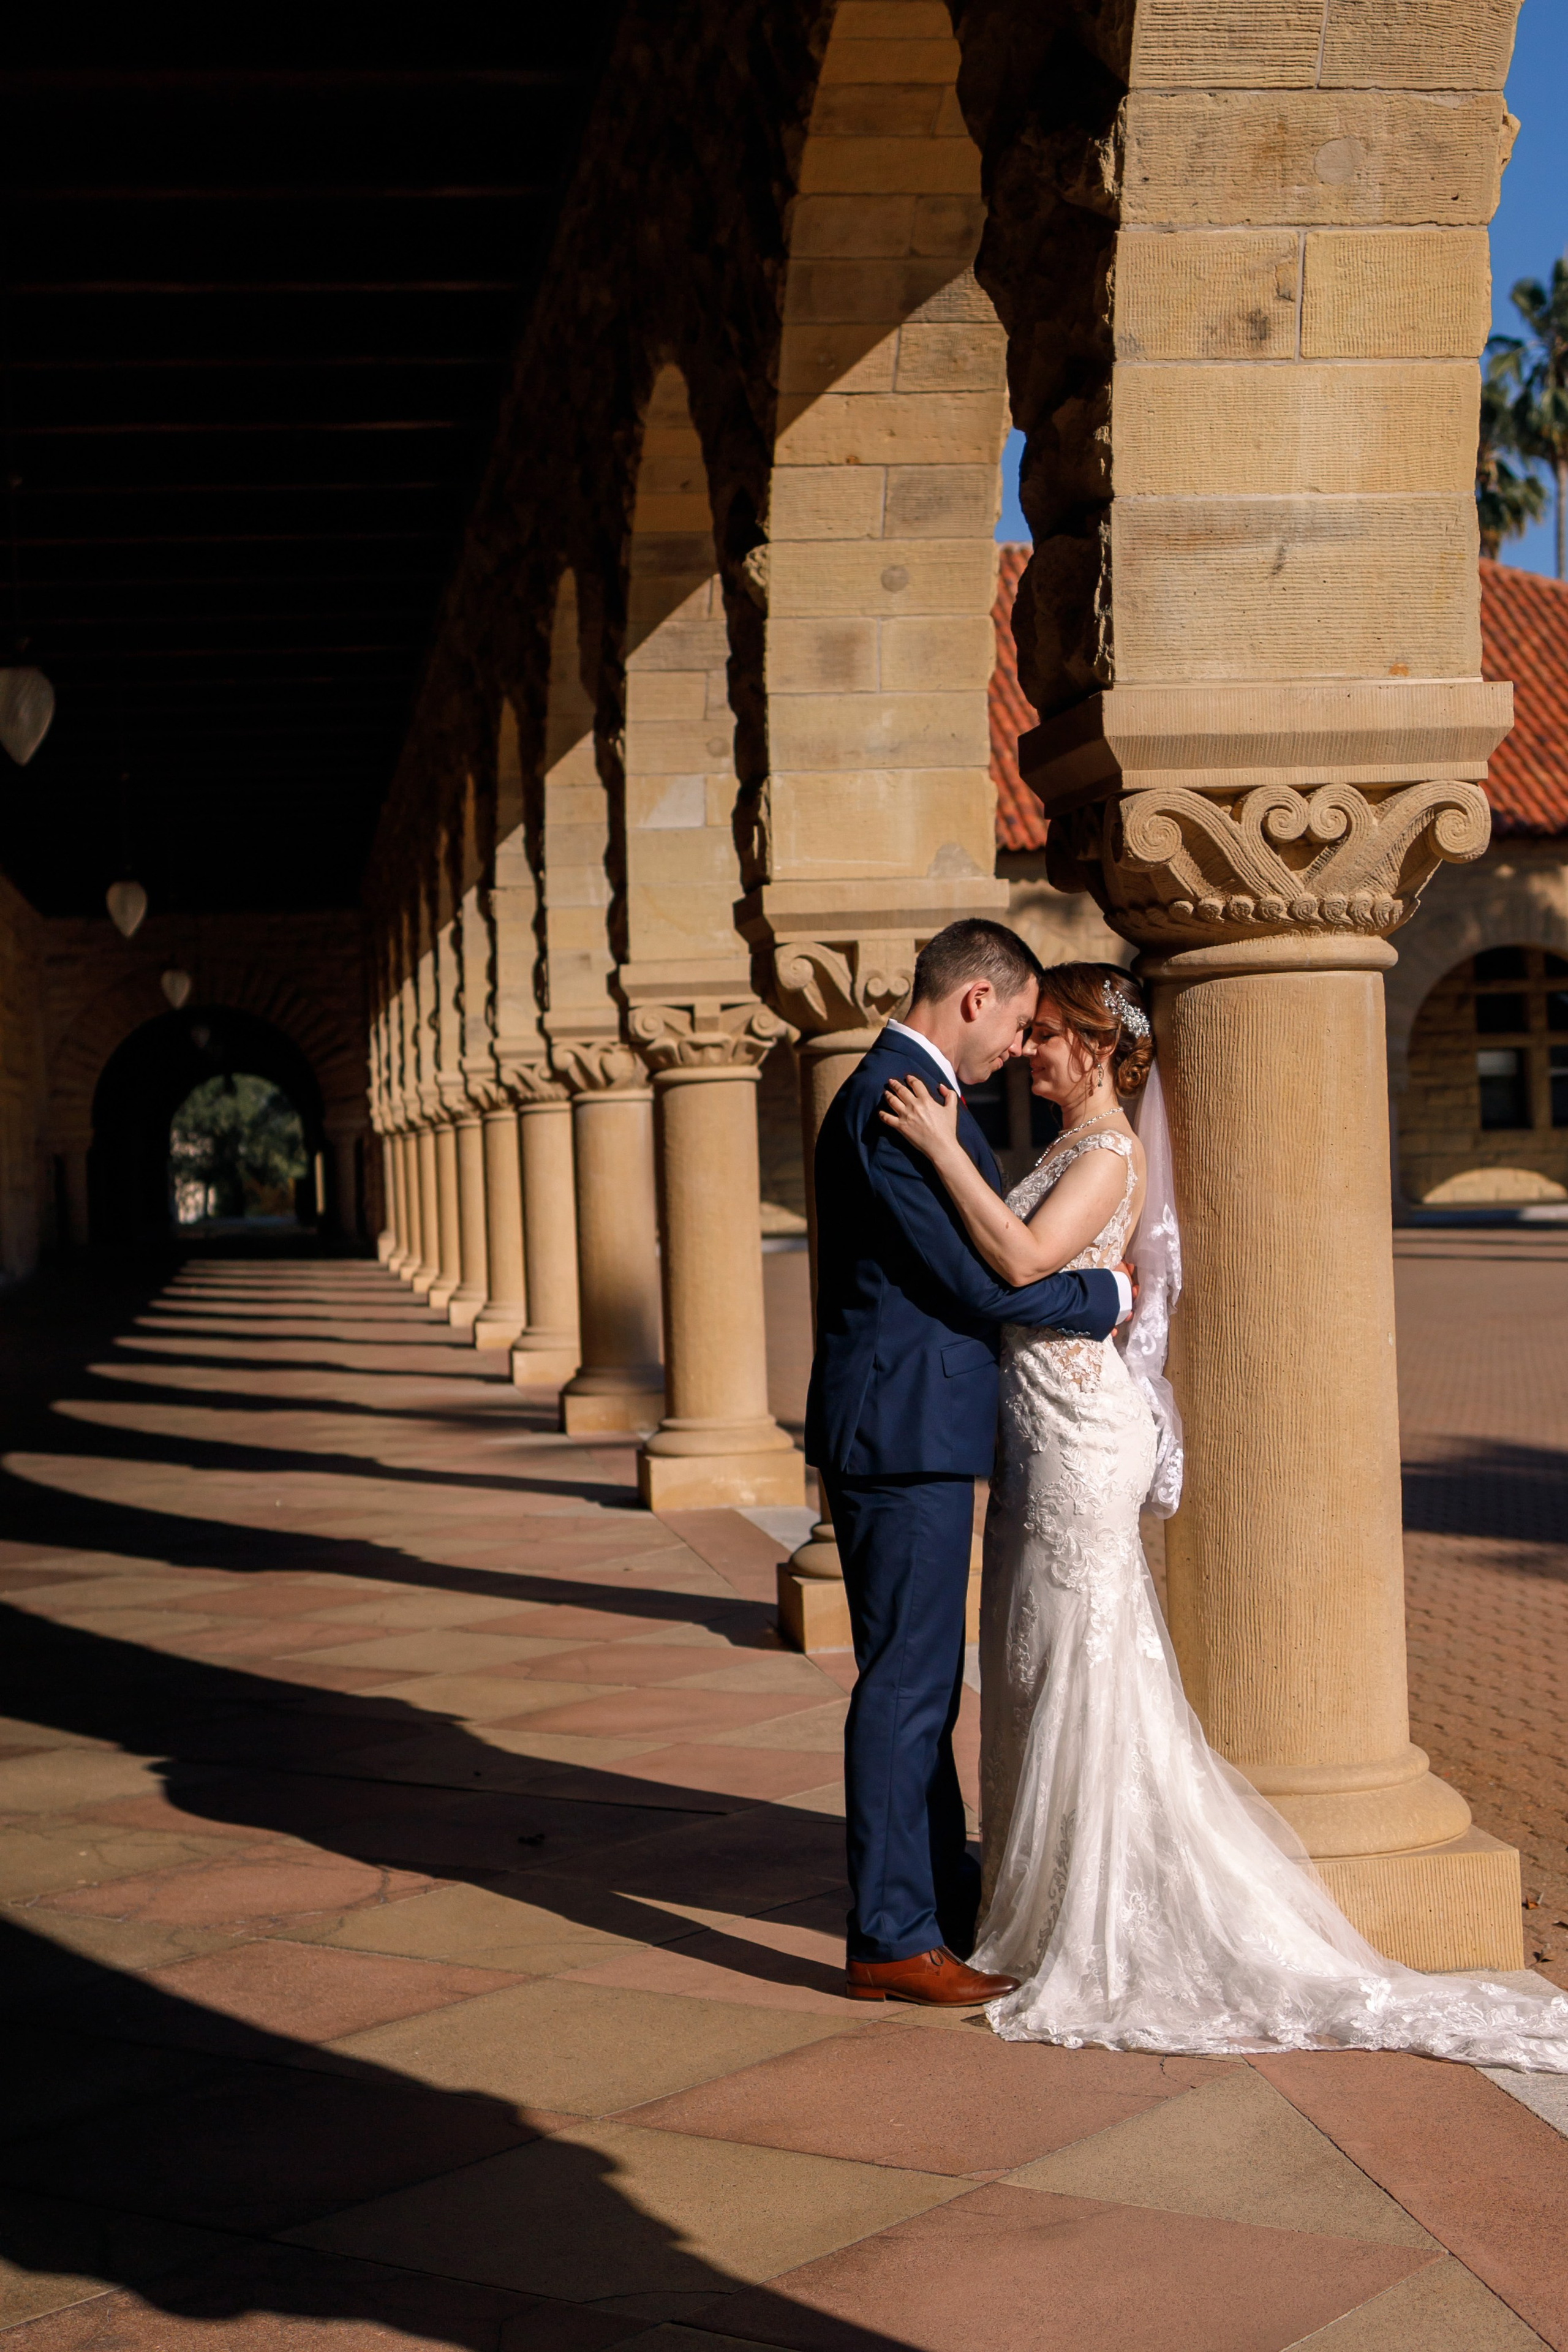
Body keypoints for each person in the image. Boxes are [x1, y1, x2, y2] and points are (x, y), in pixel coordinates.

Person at [880, 958, 1568, 2068]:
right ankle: (1037, 1897)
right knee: (1029, 1659)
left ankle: (1097, 1917)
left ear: (1098, 1048)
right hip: (1034, 1431)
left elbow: (1015, 1259)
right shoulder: (1057, 1147)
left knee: (1080, 1657)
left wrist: (939, 1149)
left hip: (1080, 1436)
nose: (1029, 1048)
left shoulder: (1108, 1153)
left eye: (1048, 1033)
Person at [804, 919, 1131, 2007]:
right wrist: (1108, 1296)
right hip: (899, 1435)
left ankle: (937, 1896)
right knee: (907, 1684)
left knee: (923, 1682)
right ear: (977, 998)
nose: (1014, 1053)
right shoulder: (899, 1103)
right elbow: (984, 1286)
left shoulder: (909, 1092)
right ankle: (892, 1935)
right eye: (1018, 1025)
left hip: (910, 1429)